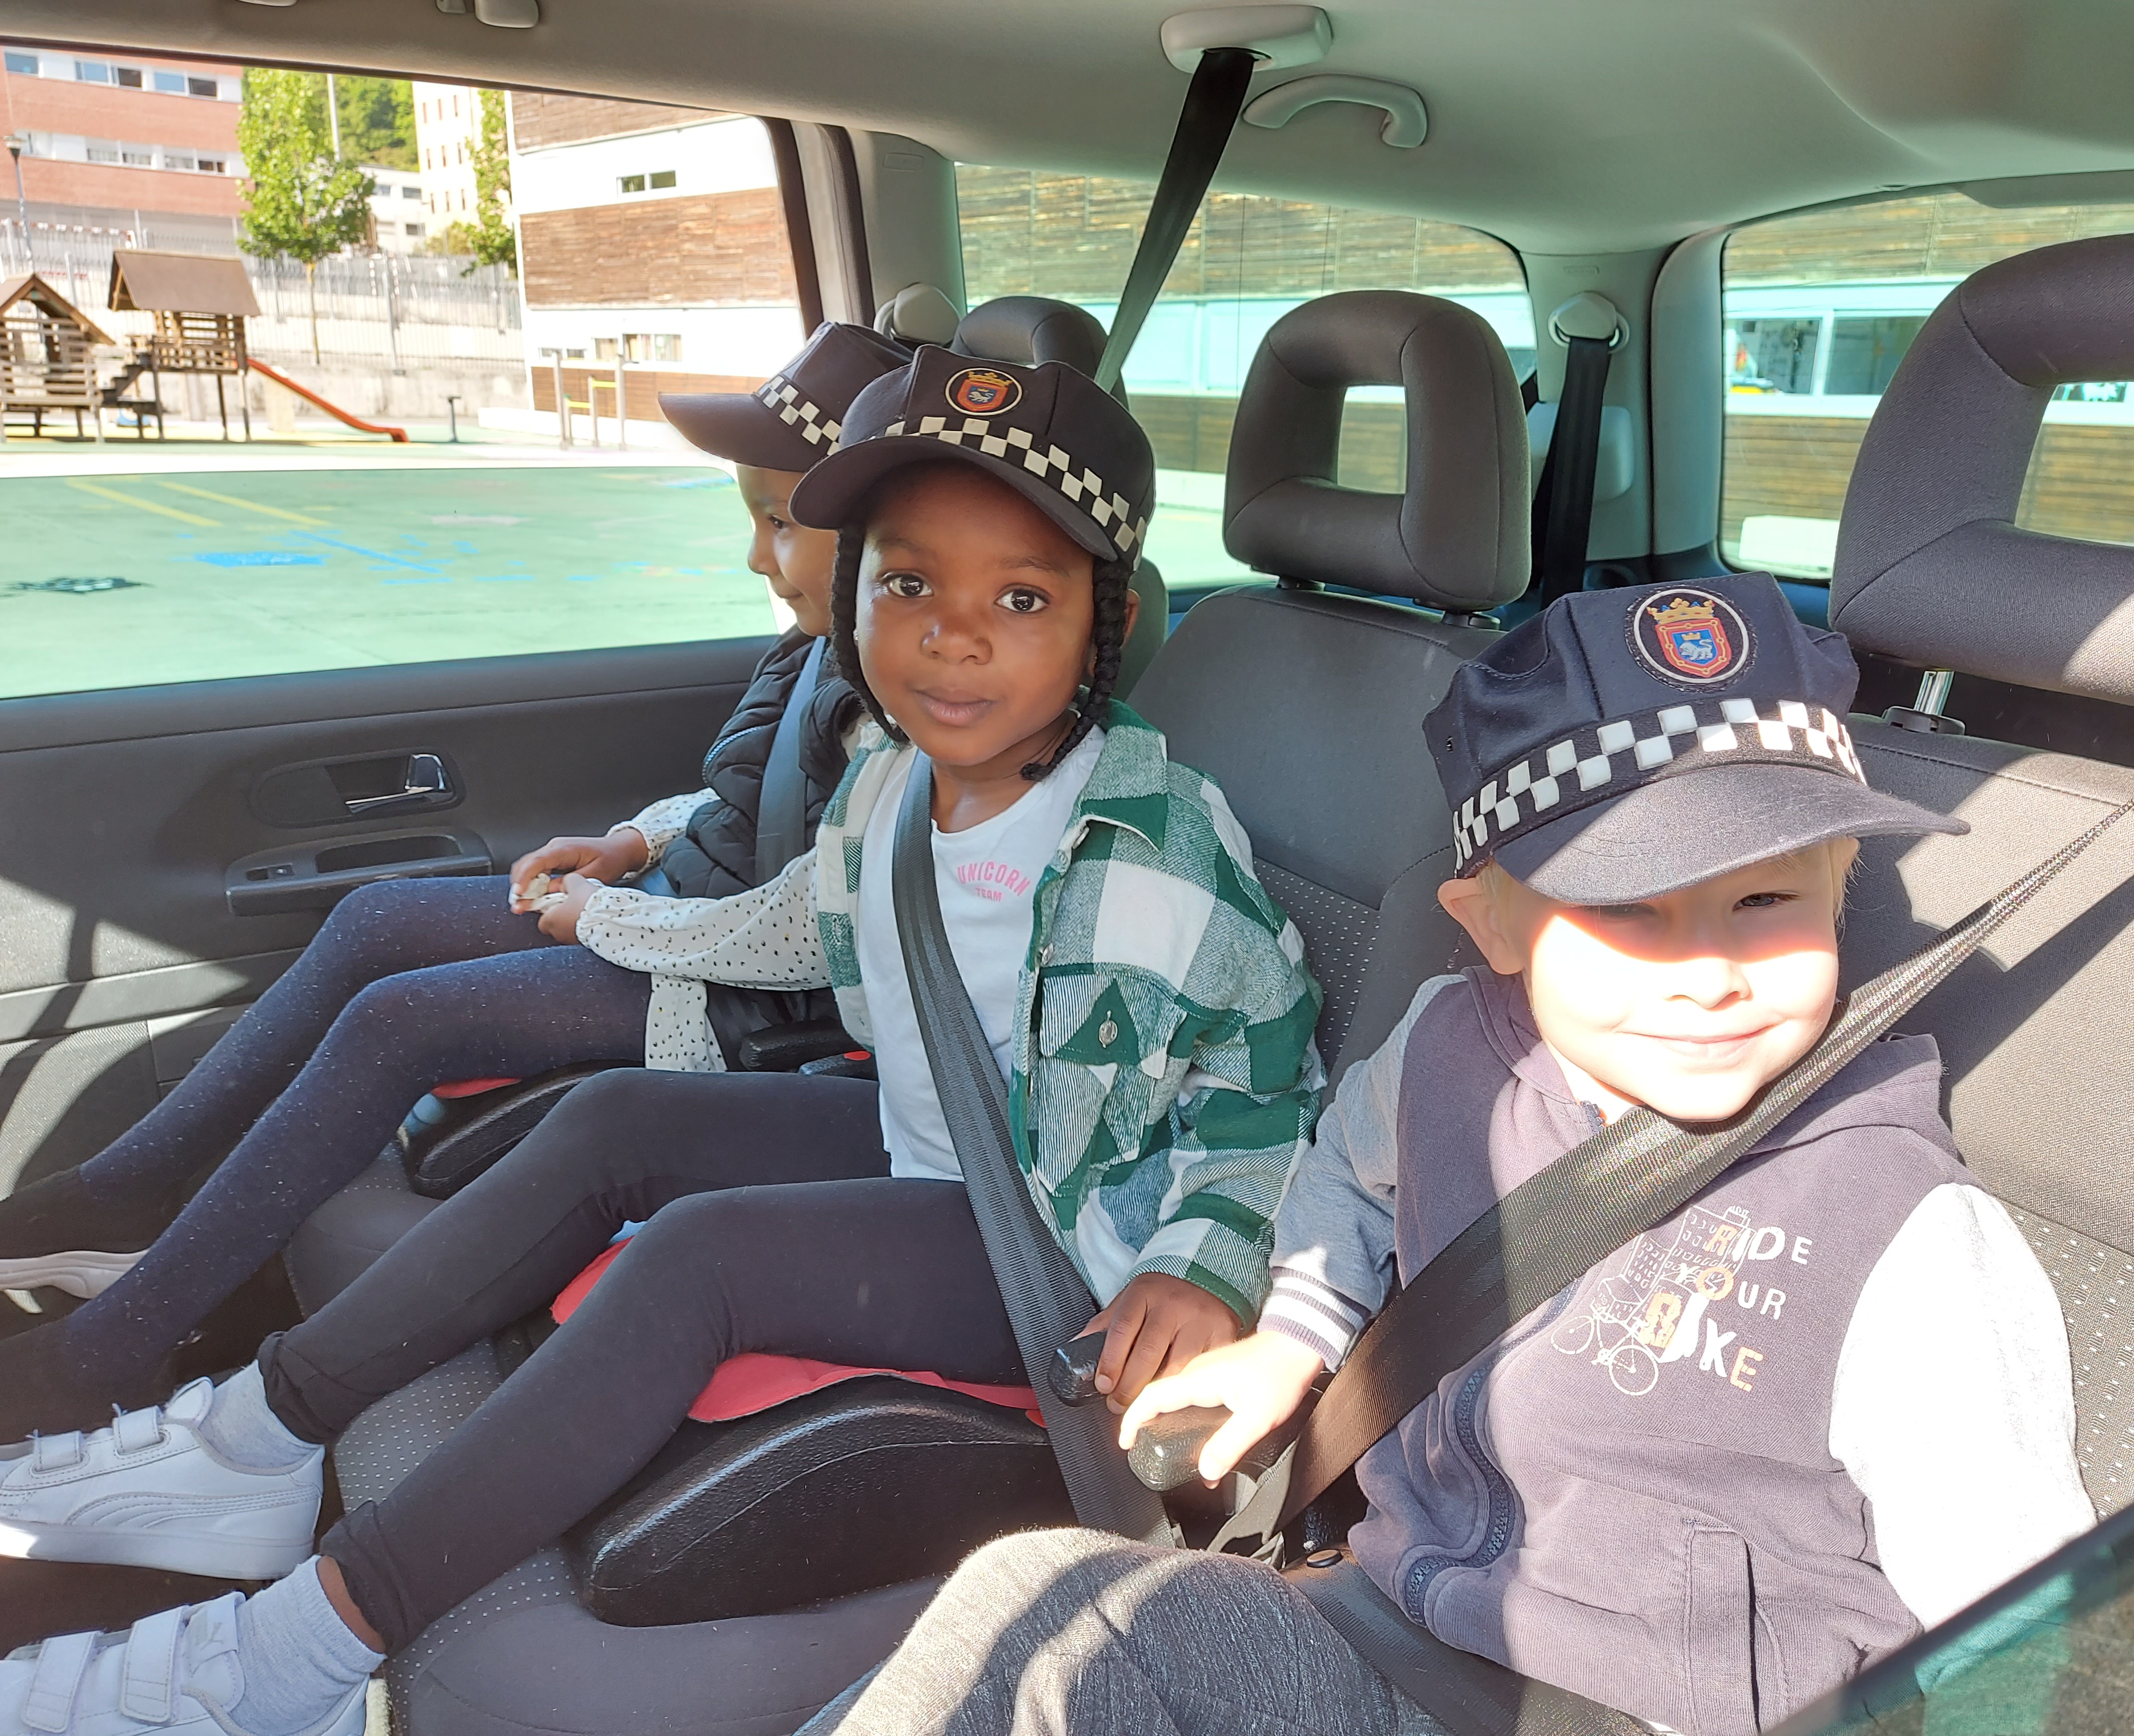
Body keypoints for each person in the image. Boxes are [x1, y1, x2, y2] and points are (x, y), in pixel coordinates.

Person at [0, 348, 1325, 1736]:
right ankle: (256, 1439)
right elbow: (800, 928)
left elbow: (1270, 1069)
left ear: (1107, 624)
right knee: (617, 1122)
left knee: (706, 1255)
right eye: (908, 585)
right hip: (935, 1146)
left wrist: (1203, 1259)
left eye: (1023, 599)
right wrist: (625, 905)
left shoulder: (1149, 841)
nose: (954, 636)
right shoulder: (889, 783)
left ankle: (285, 1657)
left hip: (1061, 1246)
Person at [788, 577, 2099, 1736]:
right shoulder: (1443, 1051)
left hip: (1649, 1710)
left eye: (1767, 899)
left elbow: (2016, 1601)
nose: (1709, 972)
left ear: (1841, 884)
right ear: (1493, 924)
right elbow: (1349, 1182)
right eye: (1628, 909)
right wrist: (1291, 1343)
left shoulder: (1891, 1218)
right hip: (1396, 1621)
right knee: (1039, 1607)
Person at [0, 322, 910, 1439]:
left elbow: (815, 923)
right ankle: (125, 1196)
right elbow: (757, 800)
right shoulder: (823, 647)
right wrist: (630, 842)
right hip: (684, 919)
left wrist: (613, 918)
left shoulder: (901, 698)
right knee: (375, 918)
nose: (756, 558)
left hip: (747, 999)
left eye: (781, 525)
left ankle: (108, 1353)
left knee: (401, 1020)